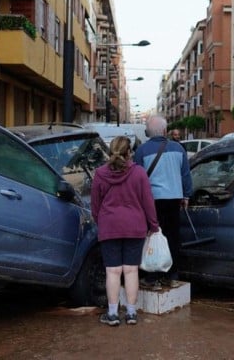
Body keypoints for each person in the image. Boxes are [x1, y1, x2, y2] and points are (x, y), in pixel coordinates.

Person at [91, 136, 159, 326]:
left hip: (109, 225)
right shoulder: (139, 173)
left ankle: (112, 314)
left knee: (112, 271)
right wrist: (153, 225)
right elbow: (148, 202)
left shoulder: (100, 173)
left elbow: (95, 205)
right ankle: (131, 313)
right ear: (129, 152)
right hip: (135, 226)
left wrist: (101, 221)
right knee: (131, 271)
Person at [134, 115, 192, 290]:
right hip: (174, 199)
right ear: (165, 131)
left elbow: (137, 178)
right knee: (173, 237)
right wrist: (186, 196)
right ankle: (172, 275)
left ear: (147, 133)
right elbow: (185, 175)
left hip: (152, 201)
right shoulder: (178, 149)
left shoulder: (142, 151)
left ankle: (152, 277)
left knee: (152, 238)